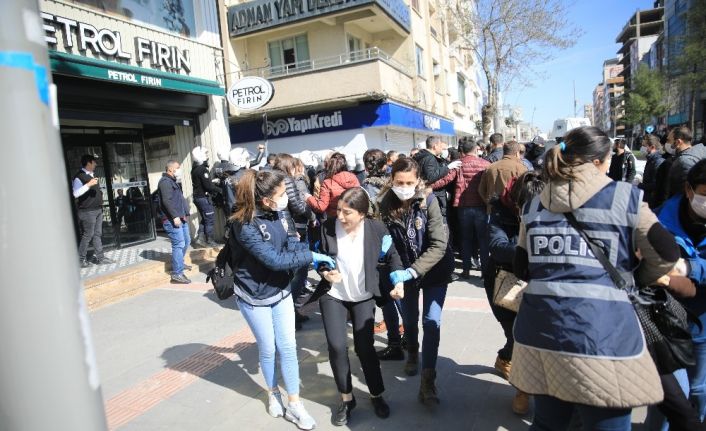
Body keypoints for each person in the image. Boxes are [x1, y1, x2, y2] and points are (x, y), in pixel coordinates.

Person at [510, 126, 679, 430]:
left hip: (541, 333)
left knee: (548, 423)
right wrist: (634, 279)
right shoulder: (624, 198)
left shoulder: (533, 205)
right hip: (603, 338)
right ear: (602, 160)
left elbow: (521, 268)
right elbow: (666, 255)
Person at [228, 169, 334, 430]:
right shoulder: (244, 224)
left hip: (281, 290)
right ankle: (273, 392)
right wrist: (311, 257)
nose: (285, 198)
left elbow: (289, 243)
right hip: (253, 295)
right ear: (265, 200)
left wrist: (312, 251)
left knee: (287, 347)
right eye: (280, 194)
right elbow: (274, 260)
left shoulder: (280, 212)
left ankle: (295, 404)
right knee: (268, 348)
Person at [315, 187, 404, 425]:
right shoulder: (327, 227)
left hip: (363, 296)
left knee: (365, 348)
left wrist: (398, 281)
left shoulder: (376, 229)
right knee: (336, 347)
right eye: (339, 211)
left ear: (363, 213)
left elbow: (393, 256)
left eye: (348, 212)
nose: (341, 217)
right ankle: (346, 399)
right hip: (333, 294)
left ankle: (376, 394)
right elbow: (317, 255)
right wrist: (325, 272)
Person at [377, 157, 454, 405]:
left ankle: (428, 380)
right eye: (399, 182)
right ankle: (412, 352)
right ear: (392, 180)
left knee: (431, 321)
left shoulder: (428, 201)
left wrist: (413, 271)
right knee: (409, 319)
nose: (404, 186)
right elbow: (391, 246)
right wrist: (395, 266)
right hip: (403, 272)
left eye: (410, 182)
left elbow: (439, 244)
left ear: (418, 180)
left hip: (434, 271)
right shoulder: (384, 204)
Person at [485, 171, 545, 415]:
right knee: (516, 334)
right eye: (525, 207)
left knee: (531, 338)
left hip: (538, 281)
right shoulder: (499, 210)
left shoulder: (552, 210)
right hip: (504, 279)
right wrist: (528, 248)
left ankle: (507, 359)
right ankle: (522, 390)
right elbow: (497, 247)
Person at [657, 159, 706, 424]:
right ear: (689, 190)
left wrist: (689, 267)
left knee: (698, 389)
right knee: (668, 395)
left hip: (703, 327)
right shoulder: (657, 218)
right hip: (665, 321)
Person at [429, 138, 489, 278]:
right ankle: (485, 271)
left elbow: (444, 180)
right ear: (476, 149)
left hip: (463, 206)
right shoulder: (486, 164)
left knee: (466, 239)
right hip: (481, 205)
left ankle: (466, 270)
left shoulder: (458, 164)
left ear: (462, 151)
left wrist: (428, 185)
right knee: (483, 240)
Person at [273, 154, 317, 328]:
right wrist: (312, 214)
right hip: (292, 229)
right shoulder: (286, 179)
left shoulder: (271, 177)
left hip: (279, 229)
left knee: (289, 271)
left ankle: (289, 311)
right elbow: (297, 205)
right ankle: (290, 311)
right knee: (300, 269)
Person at [72, 154, 114, 268]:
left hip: (97, 210)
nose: (96, 164)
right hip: (87, 212)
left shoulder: (92, 175)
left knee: (97, 234)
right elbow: (75, 193)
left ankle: (100, 258)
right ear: (89, 163)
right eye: (94, 162)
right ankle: (81, 260)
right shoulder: (79, 177)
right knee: (88, 235)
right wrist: (88, 185)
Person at [157, 160, 192, 284]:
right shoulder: (165, 182)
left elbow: (178, 200)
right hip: (172, 219)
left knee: (187, 241)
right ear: (170, 169)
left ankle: (180, 264)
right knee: (179, 244)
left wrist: (184, 214)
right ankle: (177, 273)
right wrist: (175, 216)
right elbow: (167, 201)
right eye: (178, 168)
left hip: (180, 217)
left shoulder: (172, 181)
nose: (180, 170)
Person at [412, 136, 461, 218]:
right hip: (434, 194)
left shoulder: (421, 156)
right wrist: (448, 168)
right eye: (441, 147)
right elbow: (431, 177)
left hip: (425, 193)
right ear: (435, 146)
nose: (442, 149)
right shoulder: (429, 158)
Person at [306, 152, 360, 218]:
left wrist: (308, 198)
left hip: (336, 219)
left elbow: (321, 207)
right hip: (354, 217)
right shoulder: (353, 177)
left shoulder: (327, 182)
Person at [478, 140, 527, 214]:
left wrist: (489, 203)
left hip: (493, 211)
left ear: (504, 151)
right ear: (517, 153)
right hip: (513, 213)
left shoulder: (490, 167)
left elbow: (481, 190)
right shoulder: (521, 168)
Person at [190, 146, 221, 247]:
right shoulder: (202, 169)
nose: (207, 156)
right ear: (200, 156)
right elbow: (208, 187)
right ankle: (210, 240)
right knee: (210, 219)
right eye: (206, 154)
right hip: (203, 198)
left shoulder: (194, 169)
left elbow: (201, 183)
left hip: (197, 197)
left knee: (205, 217)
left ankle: (200, 238)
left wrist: (211, 181)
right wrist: (221, 190)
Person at [666, 126, 706, 198]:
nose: (667, 143)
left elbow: (686, 194)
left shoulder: (685, 161)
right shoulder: (699, 151)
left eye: (669, 140)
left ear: (678, 142)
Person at [639, 134, 665, 209]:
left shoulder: (658, 161)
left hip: (652, 203)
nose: (642, 148)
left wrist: (640, 185)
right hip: (647, 199)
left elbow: (655, 185)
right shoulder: (651, 159)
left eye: (644, 145)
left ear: (652, 147)